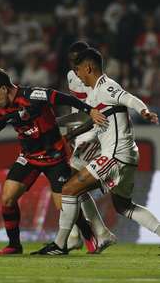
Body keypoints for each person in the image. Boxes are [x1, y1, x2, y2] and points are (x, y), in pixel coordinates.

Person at [31, 47, 160, 255]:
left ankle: (60, 244)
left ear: (88, 67)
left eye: (79, 70)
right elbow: (88, 119)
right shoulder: (94, 96)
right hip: (125, 156)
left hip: (115, 156)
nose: (77, 75)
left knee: (68, 188)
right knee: (124, 207)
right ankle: (83, 238)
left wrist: (144, 111)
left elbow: (128, 98)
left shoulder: (107, 87)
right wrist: (62, 129)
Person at [0, 67, 106, 255]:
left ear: (3, 89)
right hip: (29, 157)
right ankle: (14, 245)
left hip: (54, 156)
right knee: (8, 198)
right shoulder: (3, 106)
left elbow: (64, 98)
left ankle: (89, 235)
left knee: (64, 206)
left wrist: (90, 111)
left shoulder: (34, 95)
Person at [62, 41, 117, 253]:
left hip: (94, 132)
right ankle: (97, 233)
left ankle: (80, 235)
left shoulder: (96, 80)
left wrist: (56, 121)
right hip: (80, 133)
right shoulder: (71, 76)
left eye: (79, 61)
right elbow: (76, 108)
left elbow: (88, 113)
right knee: (74, 185)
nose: (76, 66)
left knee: (72, 181)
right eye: (73, 61)